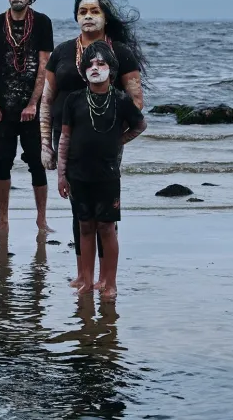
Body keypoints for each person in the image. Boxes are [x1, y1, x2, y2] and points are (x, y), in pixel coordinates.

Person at [41, 0, 146, 285]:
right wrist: (45, 146)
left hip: (106, 144)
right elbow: (46, 101)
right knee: (80, 211)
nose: (88, 17)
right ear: (76, 17)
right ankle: (83, 274)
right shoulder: (62, 51)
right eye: (83, 12)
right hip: (68, 142)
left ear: (104, 16)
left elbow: (136, 102)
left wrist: (116, 138)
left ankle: (107, 278)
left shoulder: (120, 52)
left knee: (105, 216)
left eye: (94, 11)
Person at [58, 41, 147, 297]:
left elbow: (140, 126)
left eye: (101, 63)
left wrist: (118, 140)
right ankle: (86, 279)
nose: (95, 68)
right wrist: (62, 175)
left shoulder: (120, 100)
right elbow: (64, 140)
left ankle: (109, 281)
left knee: (106, 227)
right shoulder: (73, 101)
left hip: (107, 175)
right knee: (85, 226)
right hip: (78, 175)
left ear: (112, 69)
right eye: (91, 64)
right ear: (83, 70)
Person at [0, 0, 54, 233]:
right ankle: (3, 219)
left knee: (37, 163)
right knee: (2, 162)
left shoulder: (42, 23)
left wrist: (33, 104)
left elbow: (44, 66)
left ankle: (42, 220)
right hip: (4, 106)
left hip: (33, 108)